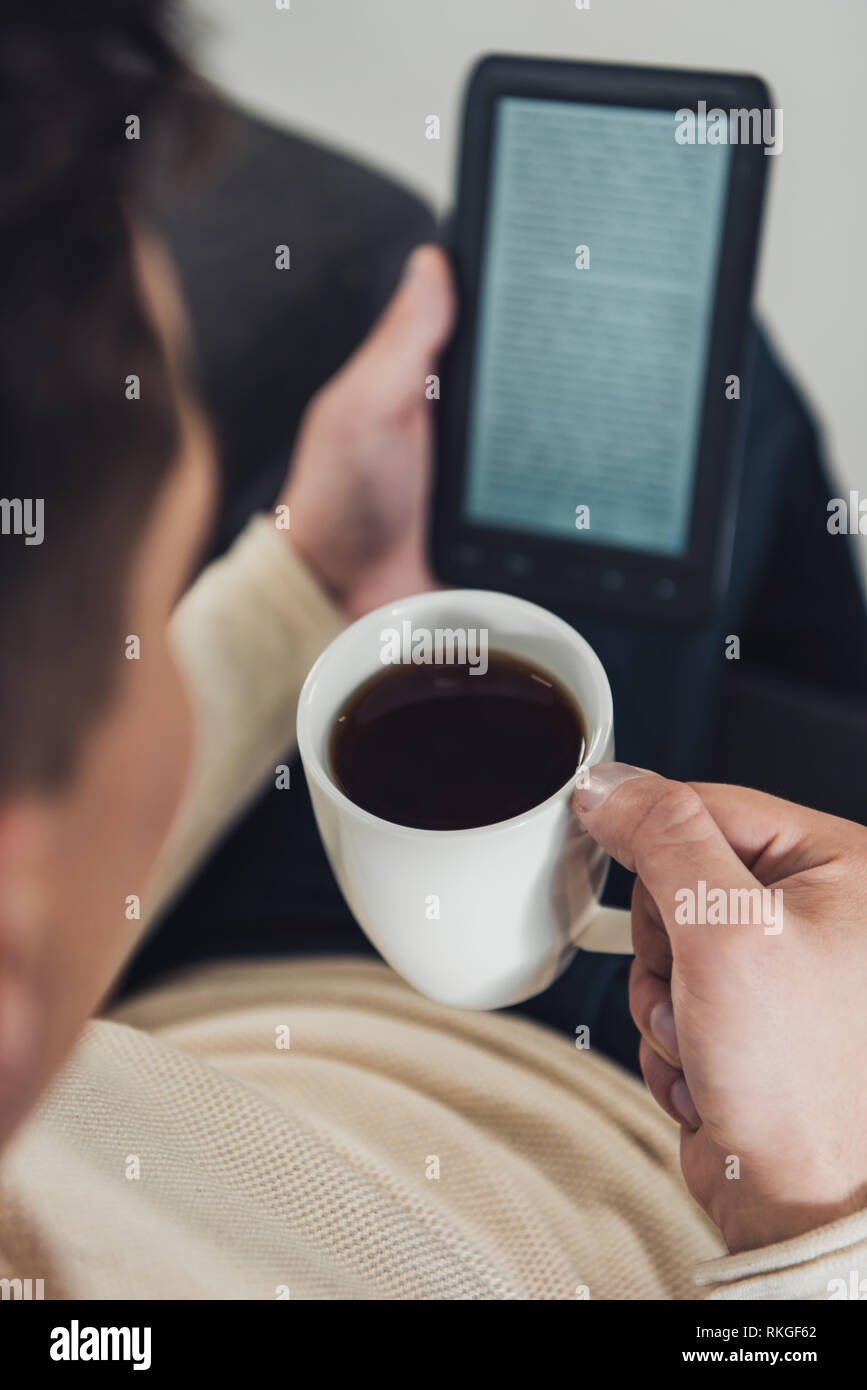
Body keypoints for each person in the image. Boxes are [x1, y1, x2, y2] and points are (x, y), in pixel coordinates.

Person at [1, 1, 865, 1299]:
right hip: (656, 1146)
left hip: (217, 986)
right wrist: (820, 1210)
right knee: (717, 402)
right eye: (147, 638)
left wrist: (307, 576)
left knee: (650, 362)